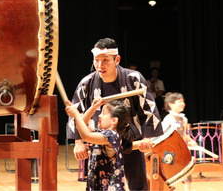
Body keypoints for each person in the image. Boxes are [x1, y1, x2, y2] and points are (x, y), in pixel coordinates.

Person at [67, 38, 163, 191]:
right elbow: (77, 115)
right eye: (97, 60)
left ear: (117, 59)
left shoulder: (134, 78)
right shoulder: (87, 83)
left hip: (130, 142)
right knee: (99, 186)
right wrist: (79, 143)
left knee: (138, 186)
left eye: (105, 60)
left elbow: (149, 109)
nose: (100, 65)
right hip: (100, 144)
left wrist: (147, 138)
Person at [65, 98, 150, 191]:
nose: (99, 116)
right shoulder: (101, 132)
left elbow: (86, 136)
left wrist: (77, 114)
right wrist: (93, 107)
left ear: (114, 120)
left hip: (110, 187)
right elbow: (82, 125)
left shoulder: (113, 136)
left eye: (103, 113)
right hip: (97, 184)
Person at [162, 92, 197, 191]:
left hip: (182, 151)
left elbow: (184, 135)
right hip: (169, 152)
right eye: (179, 101)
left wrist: (191, 141)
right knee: (168, 176)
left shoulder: (184, 119)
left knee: (187, 172)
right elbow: (163, 137)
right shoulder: (167, 119)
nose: (182, 104)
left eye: (183, 101)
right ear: (171, 104)